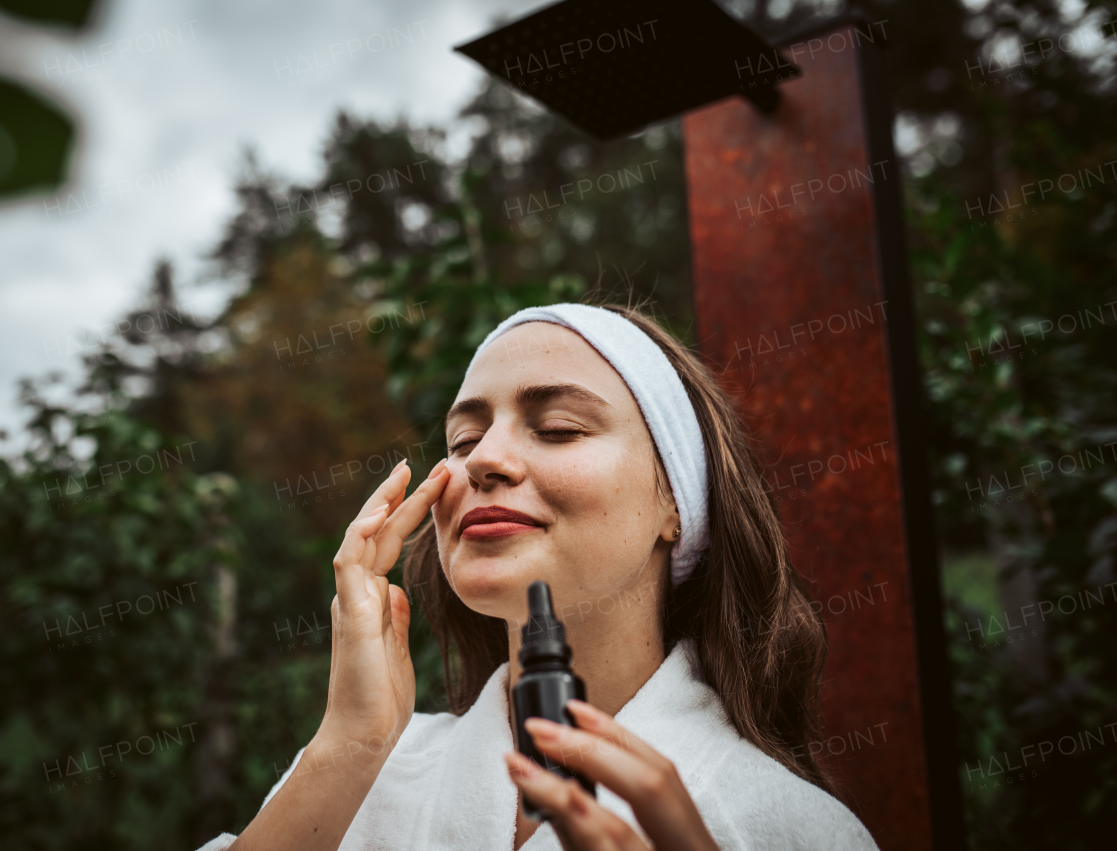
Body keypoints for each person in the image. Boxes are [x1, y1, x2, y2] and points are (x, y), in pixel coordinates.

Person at [197, 300, 879, 850]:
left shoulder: (794, 830)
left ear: (675, 500)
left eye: (556, 428)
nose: (481, 461)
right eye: (462, 441)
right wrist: (351, 743)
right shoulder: (355, 783)